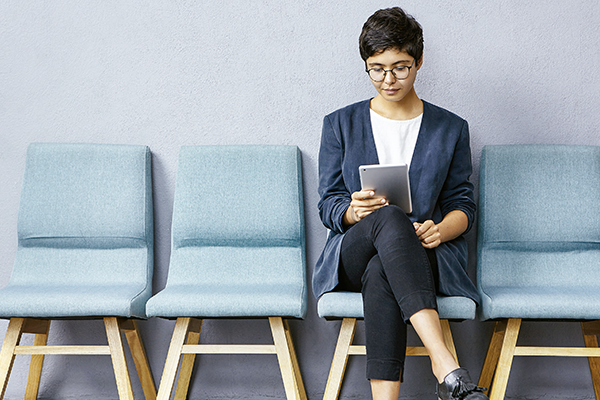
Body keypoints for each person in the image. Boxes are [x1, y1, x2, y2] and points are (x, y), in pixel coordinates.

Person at [313, 7, 488, 400]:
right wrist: (351, 211)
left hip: (422, 253)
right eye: (377, 69)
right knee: (386, 220)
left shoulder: (450, 128)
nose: (388, 80)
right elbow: (327, 203)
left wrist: (440, 230)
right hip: (354, 250)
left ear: (419, 61)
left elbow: (464, 205)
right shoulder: (339, 123)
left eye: (400, 68)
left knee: (382, 272)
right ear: (366, 66)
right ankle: (443, 361)